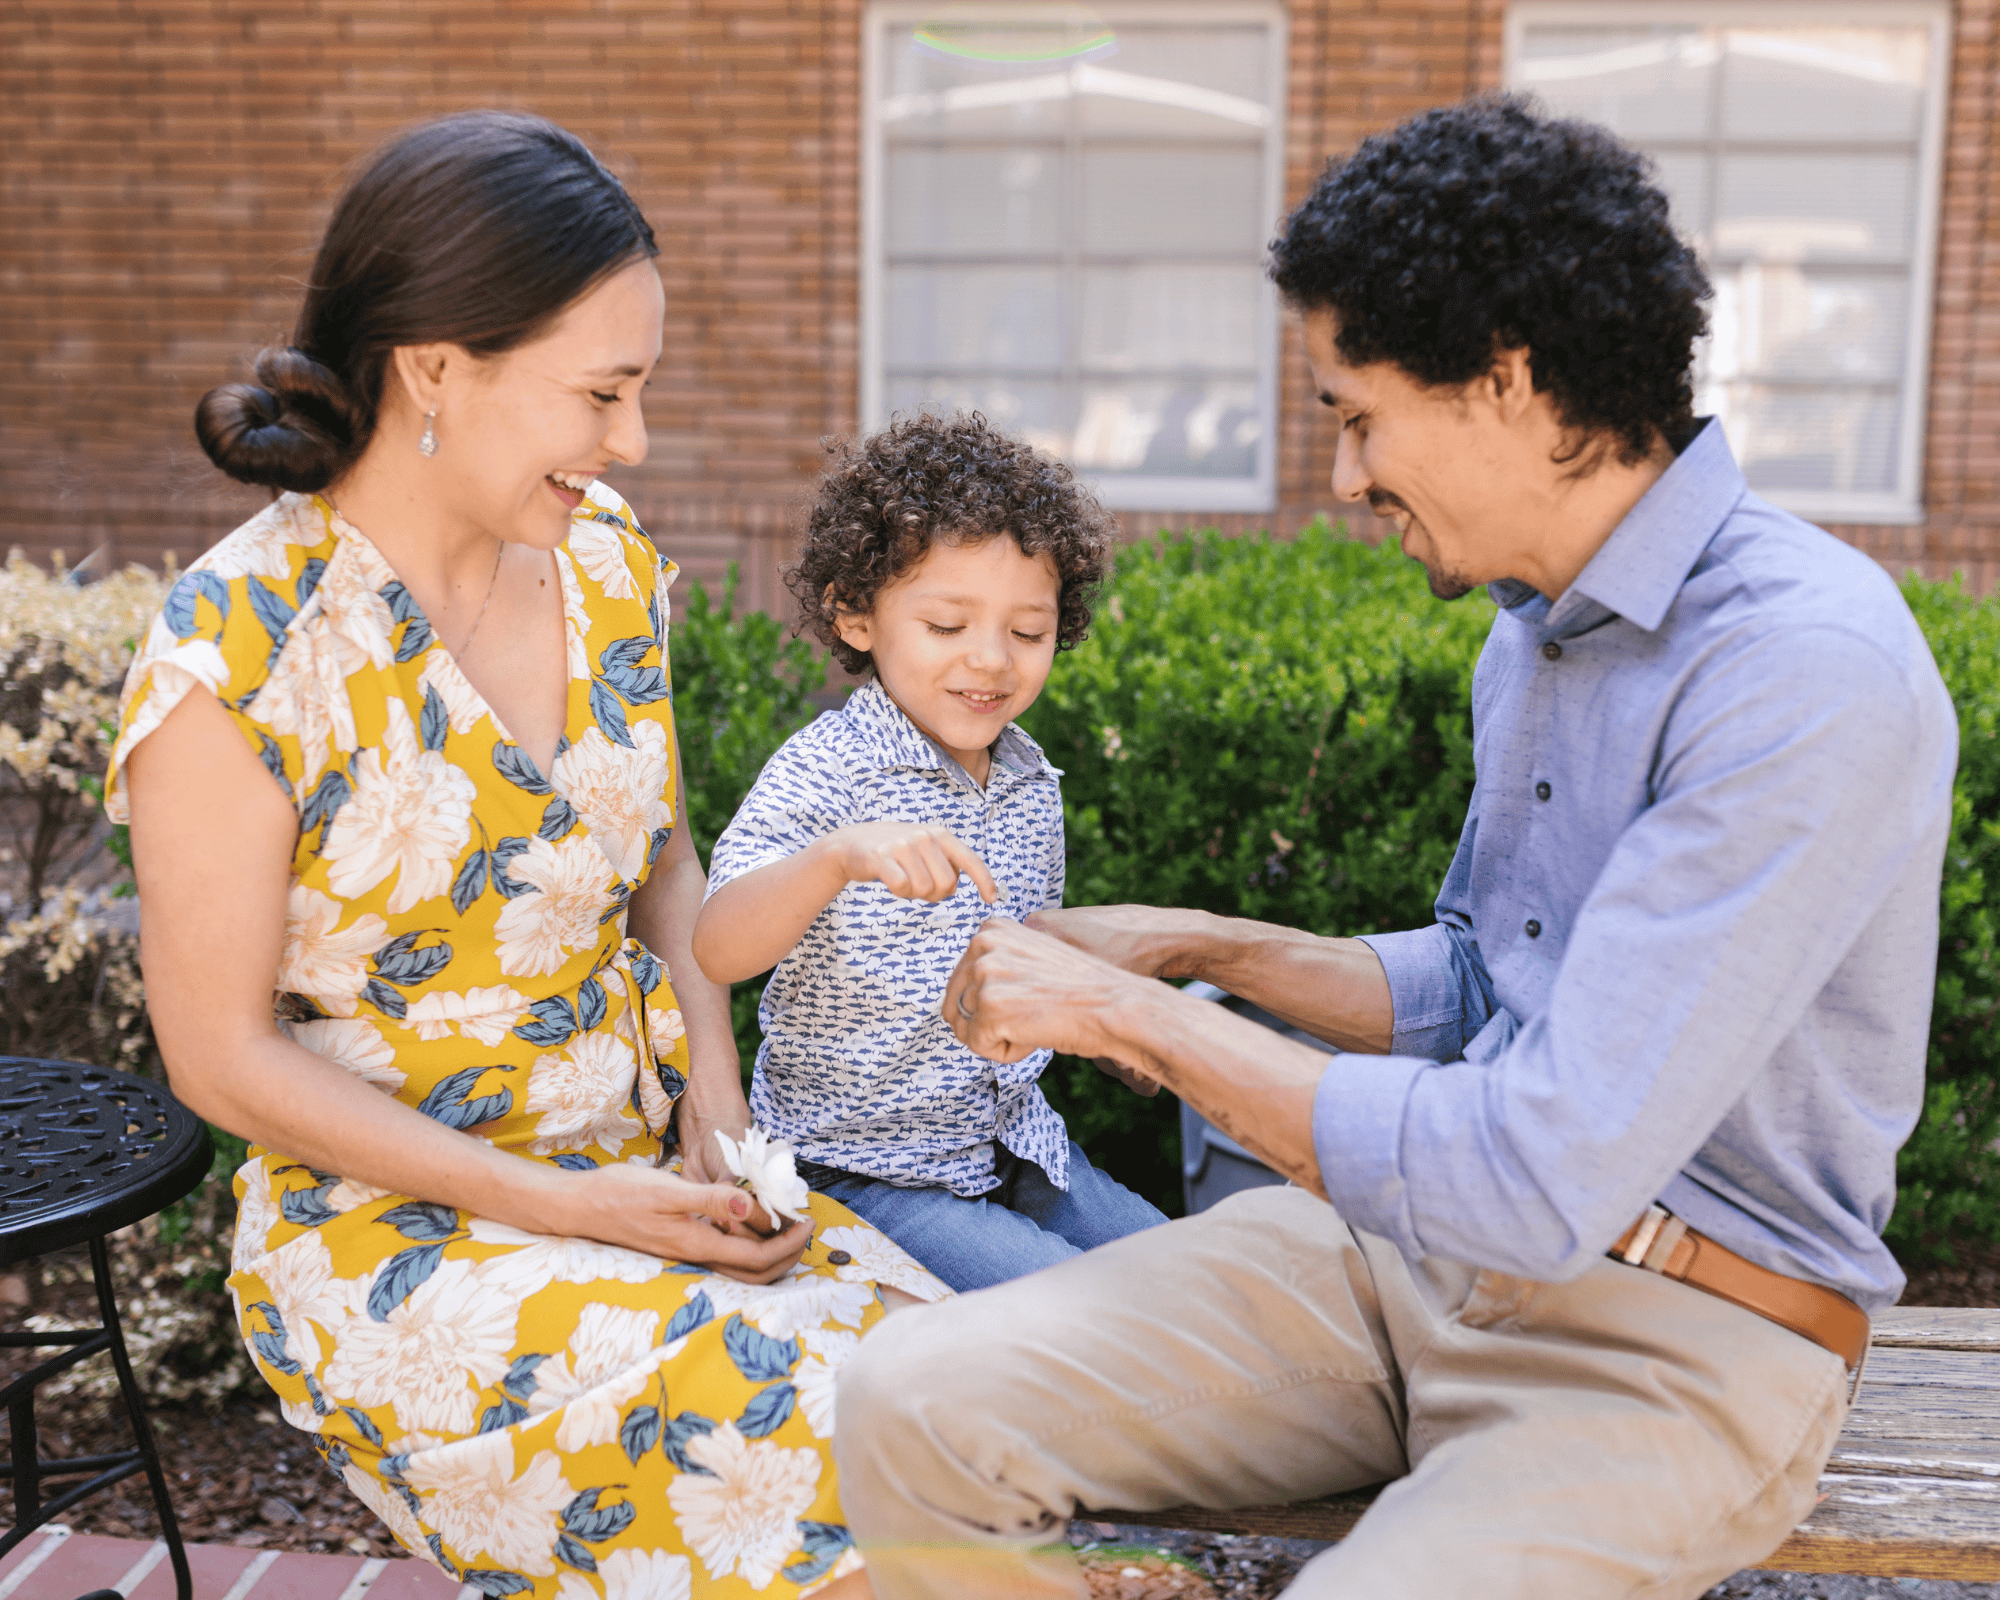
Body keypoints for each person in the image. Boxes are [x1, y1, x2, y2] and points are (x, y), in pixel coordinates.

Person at [831, 94, 1961, 1600]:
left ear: (1506, 386)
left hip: (1679, 1343)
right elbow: (1501, 983)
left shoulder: (1803, 674)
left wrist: (1132, 1019)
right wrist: (1195, 945)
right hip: (1399, 1263)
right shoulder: (1533, 633)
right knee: (910, 1403)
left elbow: (1542, 1168)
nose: (1347, 476)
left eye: (1357, 415)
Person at [111, 110, 945, 1600]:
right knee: (826, 1458)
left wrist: (712, 1078)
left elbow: (661, 852)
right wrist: (578, 1211)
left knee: (965, 1400)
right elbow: (219, 1059)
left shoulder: (607, 559)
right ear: (437, 365)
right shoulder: (236, 652)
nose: (630, 439)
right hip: (399, 1245)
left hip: (649, 1175)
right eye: (601, 392)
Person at [690, 414, 1166, 1291]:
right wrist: (835, 858)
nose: (991, 659)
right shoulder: (829, 768)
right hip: (865, 1175)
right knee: (1088, 1315)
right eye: (948, 625)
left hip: (1014, 1147)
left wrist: (1108, 1033)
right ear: (855, 613)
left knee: (1209, 1279)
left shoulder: (1030, 781)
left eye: (1029, 633)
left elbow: (1030, 972)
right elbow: (717, 944)